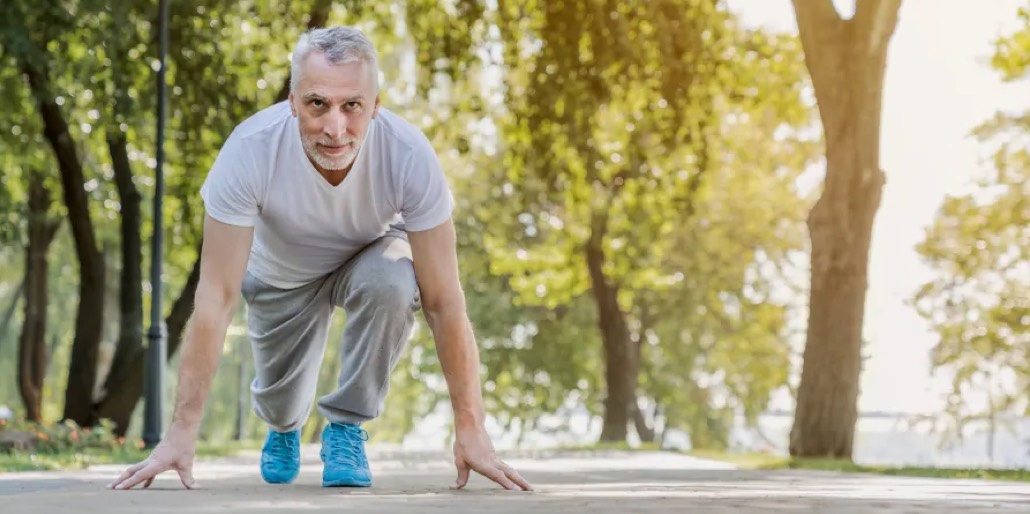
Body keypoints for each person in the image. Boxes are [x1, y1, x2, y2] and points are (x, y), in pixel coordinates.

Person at [108, 26, 531, 492]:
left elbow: (445, 301)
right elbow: (215, 297)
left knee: (393, 280)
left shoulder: (409, 156)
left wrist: (472, 427)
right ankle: (284, 426)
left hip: (368, 256)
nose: (335, 128)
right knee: (282, 403)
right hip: (279, 278)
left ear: (375, 105)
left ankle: (347, 428)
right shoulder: (249, 151)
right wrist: (180, 434)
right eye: (317, 104)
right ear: (292, 101)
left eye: (352, 105)